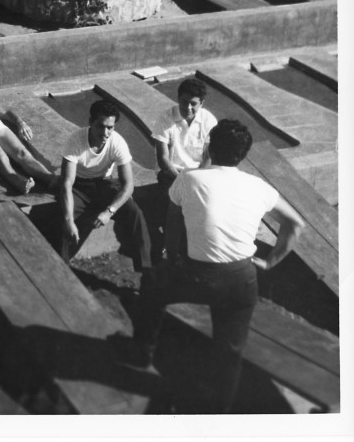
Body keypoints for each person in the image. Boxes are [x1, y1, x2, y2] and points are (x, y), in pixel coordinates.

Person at [131, 119, 305, 412]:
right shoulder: (258, 186)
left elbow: (173, 224)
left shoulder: (189, 180)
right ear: (244, 154)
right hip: (240, 279)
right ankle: (219, 413)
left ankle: (142, 351)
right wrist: (270, 261)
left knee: (151, 284)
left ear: (210, 146)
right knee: (230, 351)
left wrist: (171, 256)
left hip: (194, 275)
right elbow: (295, 224)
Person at [57, 100, 152, 275]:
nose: (105, 133)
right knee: (62, 217)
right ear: (90, 122)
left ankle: (146, 269)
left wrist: (109, 211)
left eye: (110, 127)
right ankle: (62, 272)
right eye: (101, 126)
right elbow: (66, 183)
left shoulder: (117, 142)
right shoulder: (75, 140)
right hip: (78, 186)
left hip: (103, 184)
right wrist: (69, 221)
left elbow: (128, 184)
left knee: (134, 212)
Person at [151, 78, 218, 253]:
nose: (187, 107)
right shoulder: (165, 118)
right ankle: (169, 242)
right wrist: (183, 180)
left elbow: (208, 157)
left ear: (201, 103)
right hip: (171, 172)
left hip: (199, 173)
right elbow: (163, 159)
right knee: (173, 202)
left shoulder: (209, 120)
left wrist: (196, 179)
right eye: (184, 102)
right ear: (178, 98)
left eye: (193, 103)